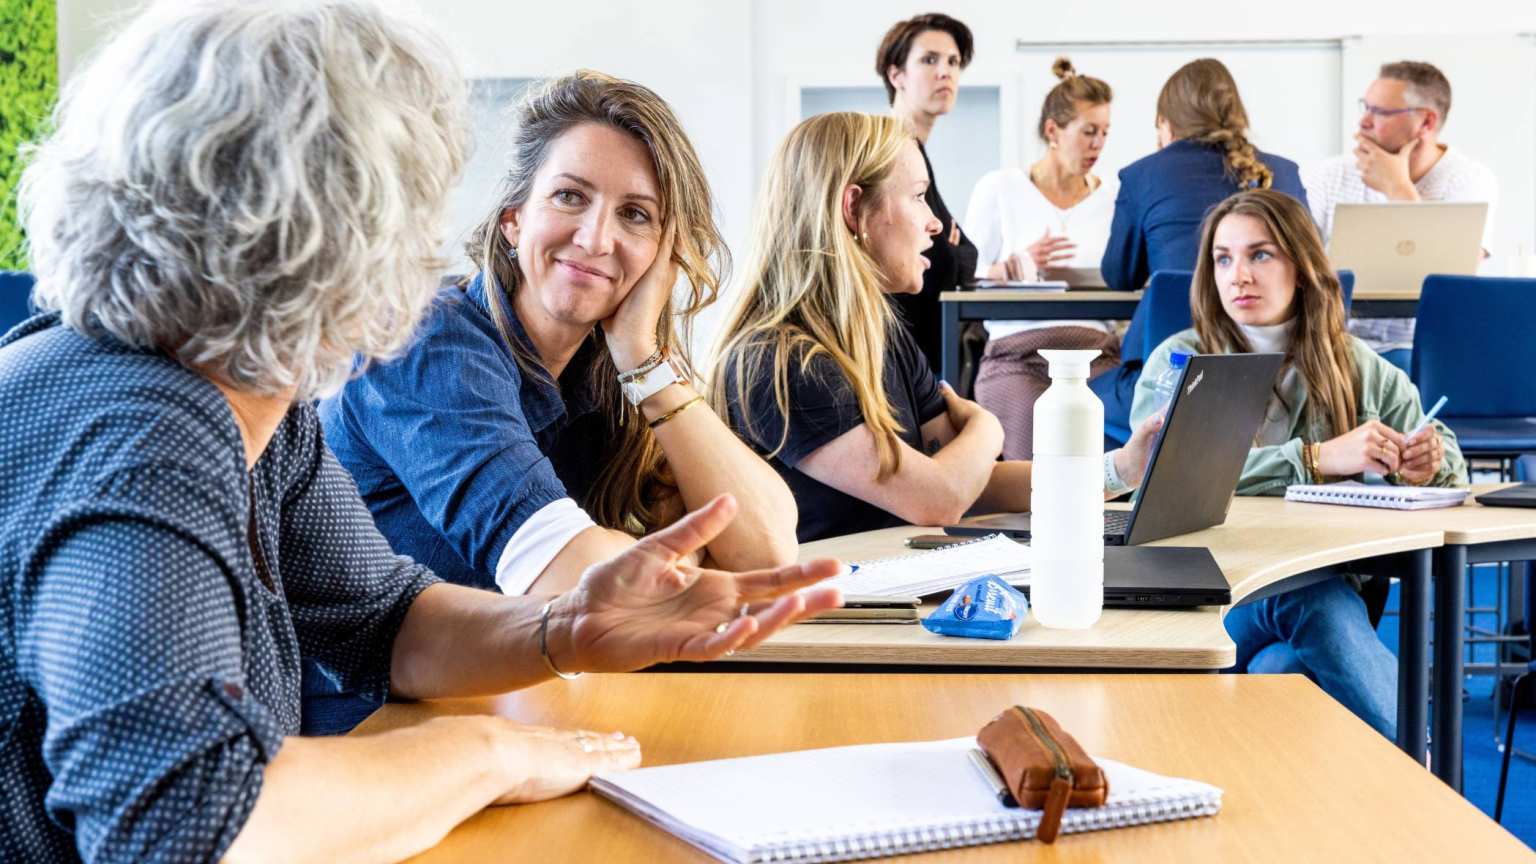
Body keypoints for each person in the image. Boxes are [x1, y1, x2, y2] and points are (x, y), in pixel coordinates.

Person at [1, 4, 840, 861]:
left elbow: (385, 621)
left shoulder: (253, 400)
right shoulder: (142, 433)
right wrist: (485, 752)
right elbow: (186, 824)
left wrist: (564, 630)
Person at [319, 71, 799, 599]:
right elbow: (571, 579)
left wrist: (644, 360)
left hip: (526, 679)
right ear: (513, 220)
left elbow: (766, 551)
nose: (596, 238)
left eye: (635, 215)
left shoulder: (603, 369)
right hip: (389, 683)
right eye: (570, 197)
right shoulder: (430, 340)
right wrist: (679, 556)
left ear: (667, 255)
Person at [710, 112, 1162, 543]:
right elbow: (940, 499)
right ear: (853, 209)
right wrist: (987, 428)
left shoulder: (881, 334)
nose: (936, 223)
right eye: (918, 195)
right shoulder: (780, 359)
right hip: (827, 616)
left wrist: (1119, 470)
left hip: (888, 598)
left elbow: (970, 482)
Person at [1130, 188, 1467, 739]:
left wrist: (1426, 459)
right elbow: (1169, 472)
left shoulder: (1351, 362)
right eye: (1223, 258)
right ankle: (1426, 770)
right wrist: (1315, 458)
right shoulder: (1179, 363)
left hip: (1312, 609)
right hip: (1212, 603)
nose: (1238, 275)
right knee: (1310, 597)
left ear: (1303, 267)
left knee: (1281, 671)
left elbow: (1443, 456)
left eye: (1259, 255)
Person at [1094, 57, 1310, 441]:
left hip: (1171, 375)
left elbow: (1119, 274)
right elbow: (1309, 263)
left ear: (1167, 123)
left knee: (1089, 397)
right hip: (1283, 374)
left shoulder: (1143, 174)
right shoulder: (1286, 172)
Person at [965, 58, 1120, 459]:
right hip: (1018, 357)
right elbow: (963, 279)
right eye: (1088, 132)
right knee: (1036, 465)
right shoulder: (999, 189)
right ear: (1053, 131)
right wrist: (1006, 268)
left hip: (1096, 356)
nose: (1098, 145)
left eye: (1104, 133)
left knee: (1115, 450)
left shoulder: (1114, 198)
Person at [1301, 61, 1497, 368]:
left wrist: (1399, 190)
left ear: (1426, 123)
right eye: (1365, 107)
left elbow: (1454, 284)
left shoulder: (1469, 180)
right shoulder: (1329, 176)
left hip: (1424, 348)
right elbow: (1300, 267)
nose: (1364, 121)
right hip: (1341, 344)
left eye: (1380, 112)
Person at [874, 12, 980, 373]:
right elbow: (944, 261)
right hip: (895, 352)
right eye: (929, 60)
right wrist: (952, 253)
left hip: (920, 355)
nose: (945, 72)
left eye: (953, 62)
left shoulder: (917, 153)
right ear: (896, 74)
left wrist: (955, 253)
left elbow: (963, 255)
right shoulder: (888, 151)